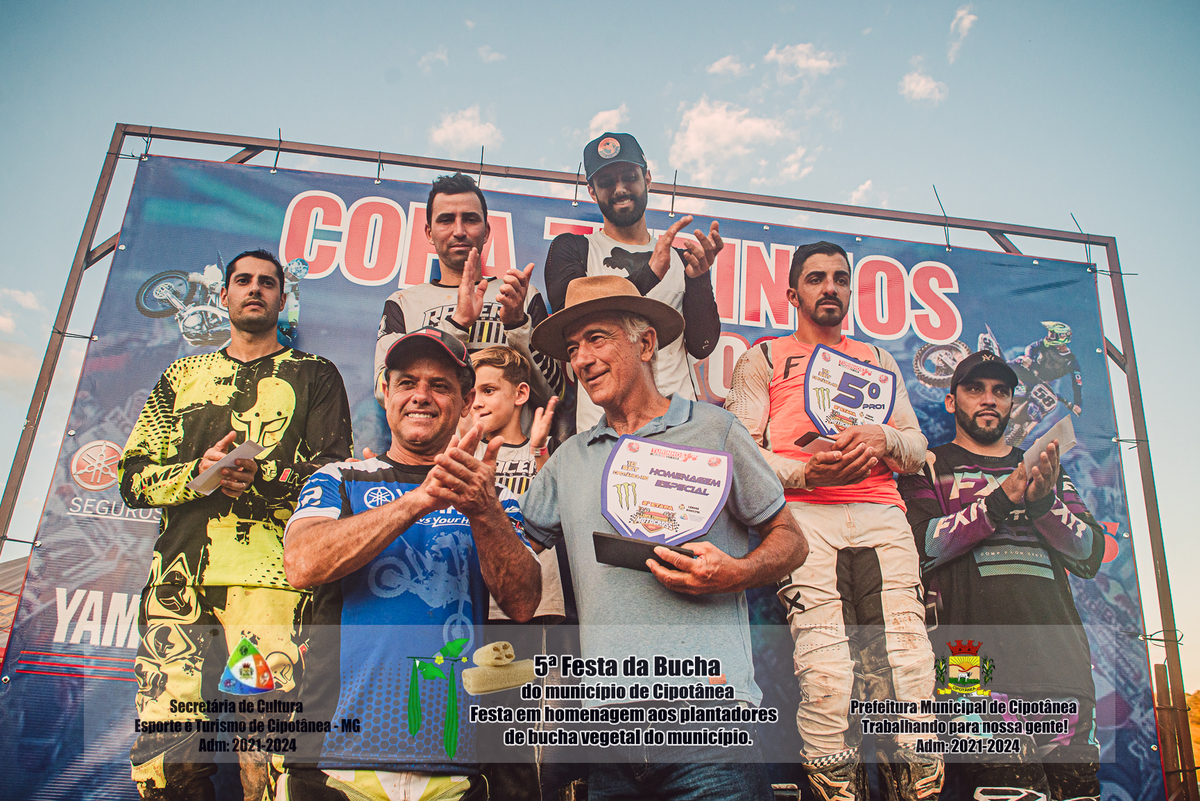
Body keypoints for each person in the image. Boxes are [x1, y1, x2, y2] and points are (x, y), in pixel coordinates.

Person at [520, 274, 809, 800]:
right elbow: (516, 567)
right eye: (573, 347)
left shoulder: (716, 430)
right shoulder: (568, 460)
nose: (582, 359)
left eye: (597, 338)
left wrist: (736, 573)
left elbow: (791, 538)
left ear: (646, 343)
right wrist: (479, 508)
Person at [118, 249, 353, 801]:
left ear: (282, 298)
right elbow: (131, 478)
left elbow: (333, 479)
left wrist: (261, 473)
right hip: (178, 584)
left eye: (267, 283)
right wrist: (194, 474)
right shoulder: (182, 374)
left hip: (270, 587)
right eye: (243, 281)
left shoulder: (315, 374)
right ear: (223, 296)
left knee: (269, 756)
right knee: (167, 755)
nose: (255, 289)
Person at [278, 327, 541, 801]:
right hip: (335, 765)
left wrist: (484, 512)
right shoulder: (340, 477)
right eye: (406, 383)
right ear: (385, 392)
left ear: (465, 403)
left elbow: (523, 603)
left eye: (439, 385)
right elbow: (300, 564)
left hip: (454, 770)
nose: (421, 396)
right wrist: (420, 499)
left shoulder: (493, 497)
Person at [723, 241, 941, 800]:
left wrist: (882, 437)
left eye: (841, 279)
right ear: (793, 293)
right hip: (803, 520)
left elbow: (916, 447)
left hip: (882, 514)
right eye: (817, 278)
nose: (831, 288)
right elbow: (739, 451)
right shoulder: (763, 358)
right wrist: (804, 472)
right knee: (826, 675)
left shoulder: (877, 359)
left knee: (911, 669)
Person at [896, 351, 1103, 801]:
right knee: (1006, 793)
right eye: (975, 389)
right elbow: (921, 548)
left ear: (1012, 402)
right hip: (968, 669)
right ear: (951, 401)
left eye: (1001, 391)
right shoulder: (924, 465)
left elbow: (1089, 555)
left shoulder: (1048, 468)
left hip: (1061, 666)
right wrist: (1001, 499)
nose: (989, 399)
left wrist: (1043, 504)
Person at [544, 132, 722, 431]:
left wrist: (699, 281)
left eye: (629, 177)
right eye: (606, 182)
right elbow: (571, 318)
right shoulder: (573, 248)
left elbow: (702, 346)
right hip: (603, 431)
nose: (620, 189)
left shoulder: (681, 259)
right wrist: (649, 274)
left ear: (647, 179)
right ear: (591, 191)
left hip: (677, 427)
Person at [374, 172, 564, 409]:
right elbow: (384, 390)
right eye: (446, 220)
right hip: (439, 434)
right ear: (429, 233)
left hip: (508, 435)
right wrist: (457, 324)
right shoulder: (403, 303)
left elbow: (554, 395)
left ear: (486, 231)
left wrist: (517, 325)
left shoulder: (520, 298)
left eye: (470, 219)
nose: (459, 231)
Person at [467, 345, 564, 623]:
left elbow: (559, 507)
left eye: (488, 390)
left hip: (538, 602)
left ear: (520, 394)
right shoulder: (465, 453)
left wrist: (539, 451)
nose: (477, 403)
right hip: (480, 600)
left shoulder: (546, 448)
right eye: (471, 394)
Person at [1014, 321, 1083, 415]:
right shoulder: (1046, 344)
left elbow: (1077, 384)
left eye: (1052, 335)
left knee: (1037, 412)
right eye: (1050, 334)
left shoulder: (1071, 362)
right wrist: (1028, 357)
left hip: (1041, 385)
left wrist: (1078, 404)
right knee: (1014, 363)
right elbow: (1031, 347)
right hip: (1029, 371)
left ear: (1062, 337)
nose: (1049, 337)